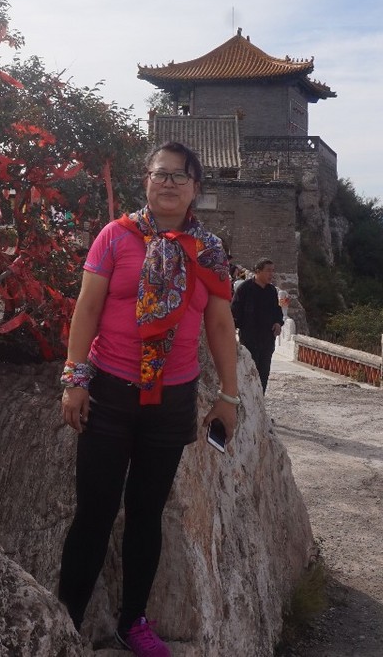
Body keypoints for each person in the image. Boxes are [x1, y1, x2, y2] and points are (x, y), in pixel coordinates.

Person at [57, 141, 241, 656]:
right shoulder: (115, 236)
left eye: (180, 176)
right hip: (110, 391)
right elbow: (87, 308)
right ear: (146, 181)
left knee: (146, 512)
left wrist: (229, 396)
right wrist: (75, 379)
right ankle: (65, 619)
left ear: (196, 188)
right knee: (94, 511)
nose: (169, 183)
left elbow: (220, 325)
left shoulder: (209, 250)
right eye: (161, 174)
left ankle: (132, 620)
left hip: (173, 398)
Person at [231, 258, 283, 391]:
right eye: (268, 271)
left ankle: (260, 400)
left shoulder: (271, 290)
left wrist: (278, 323)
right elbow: (235, 312)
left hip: (267, 339)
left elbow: (277, 310)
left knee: (263, 374)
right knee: (248, 373)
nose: (271, 274)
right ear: (258, 271)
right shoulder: (244, 289)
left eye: (273, 271)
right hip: (249, 339)